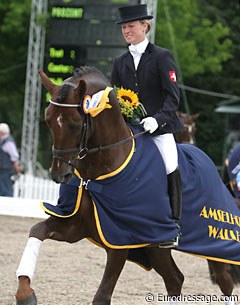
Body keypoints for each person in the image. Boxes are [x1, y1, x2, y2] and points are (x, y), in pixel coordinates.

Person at [111, 4, 183, 247]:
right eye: (123, 27)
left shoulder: (162, 56)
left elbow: (173, 97)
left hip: (160, 127)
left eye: (131, 26)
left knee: (170, 165)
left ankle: (173, 226)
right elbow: (116, 98)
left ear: (145, 25)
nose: (126, 31)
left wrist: (157, 119)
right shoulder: (120, 62)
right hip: (132, 129)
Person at [0, 123, 21, 197]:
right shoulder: (3, 140)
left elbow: (14, 156)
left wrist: (17, 167)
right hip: (3, 169)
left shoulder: (8, 142)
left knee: (5, 189)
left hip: (6, 169)